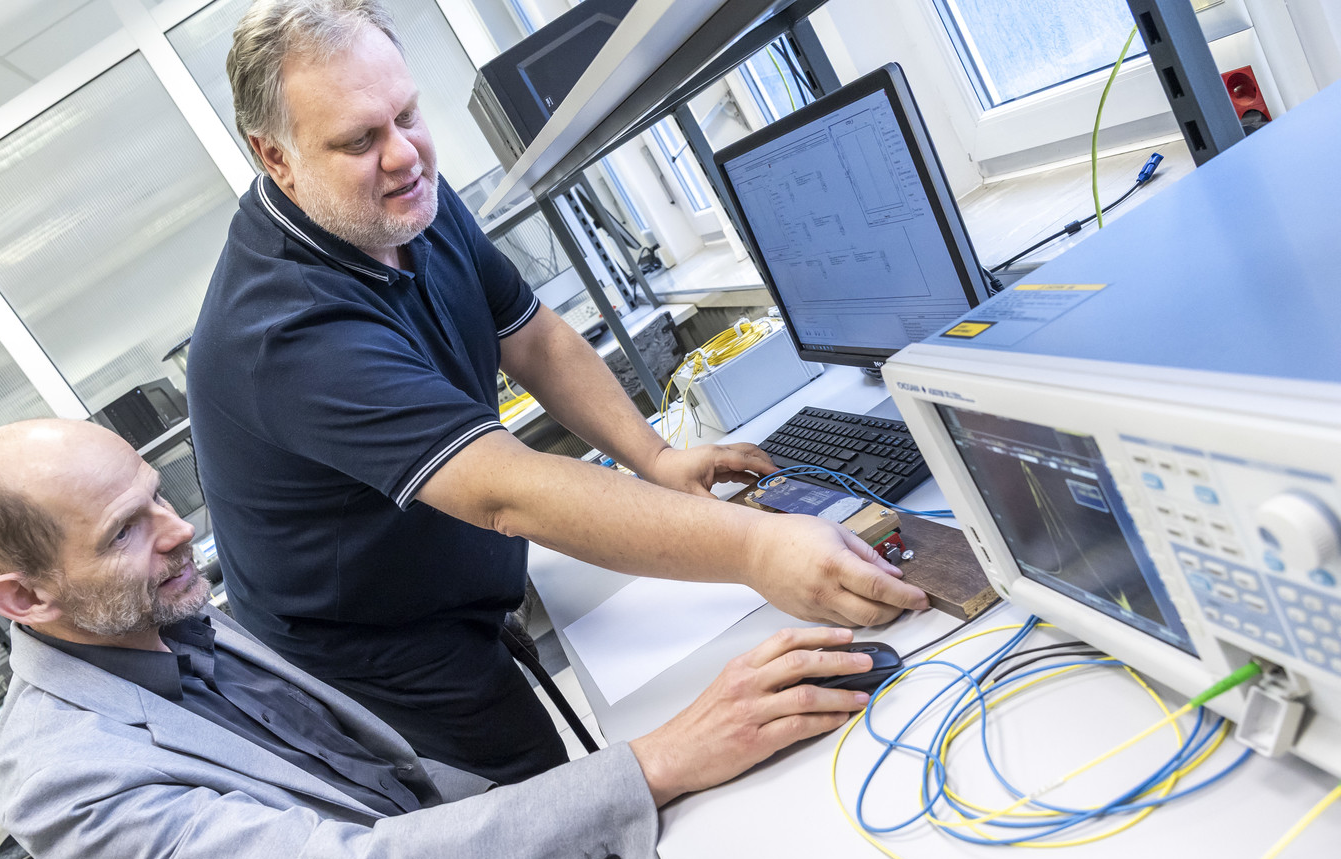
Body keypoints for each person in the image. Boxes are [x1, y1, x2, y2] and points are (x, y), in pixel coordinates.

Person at [0, 419, 877, 859]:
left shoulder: (149, 611)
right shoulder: (63, 782)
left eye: (157, 498)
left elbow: (386, 781)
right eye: (125, 530)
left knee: (747, 811)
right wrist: (656, 763)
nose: (178, 531)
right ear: (26, 597)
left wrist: (650, 783)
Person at [187, 0, 928, 786]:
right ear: (276, 156)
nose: (403, 154)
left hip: (457, 586)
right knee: (543, 809)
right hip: (382, 663)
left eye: (407, 115)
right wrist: (757, 549)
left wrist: (655, 459)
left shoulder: (398, 196)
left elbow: (534, 338)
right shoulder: (282, 332)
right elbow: (507, 492)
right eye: (359, 140)